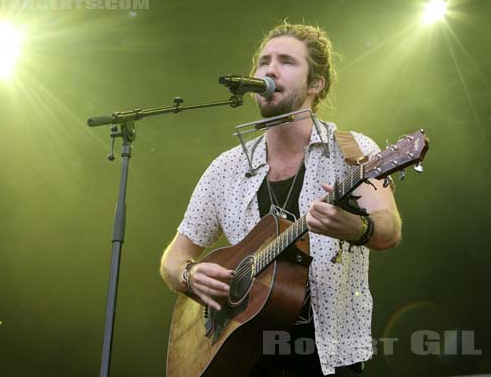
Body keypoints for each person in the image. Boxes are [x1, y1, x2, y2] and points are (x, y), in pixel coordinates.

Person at [160, 22, 402, 376]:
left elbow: (389, 230)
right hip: (241, 358)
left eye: (287, 61)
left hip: (328, 359)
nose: (269, 70)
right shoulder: (226, 168)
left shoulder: (352, 150)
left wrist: (355, 227)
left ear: (316, 84)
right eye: (263, 62)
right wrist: (189, 274)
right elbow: (173, 257)